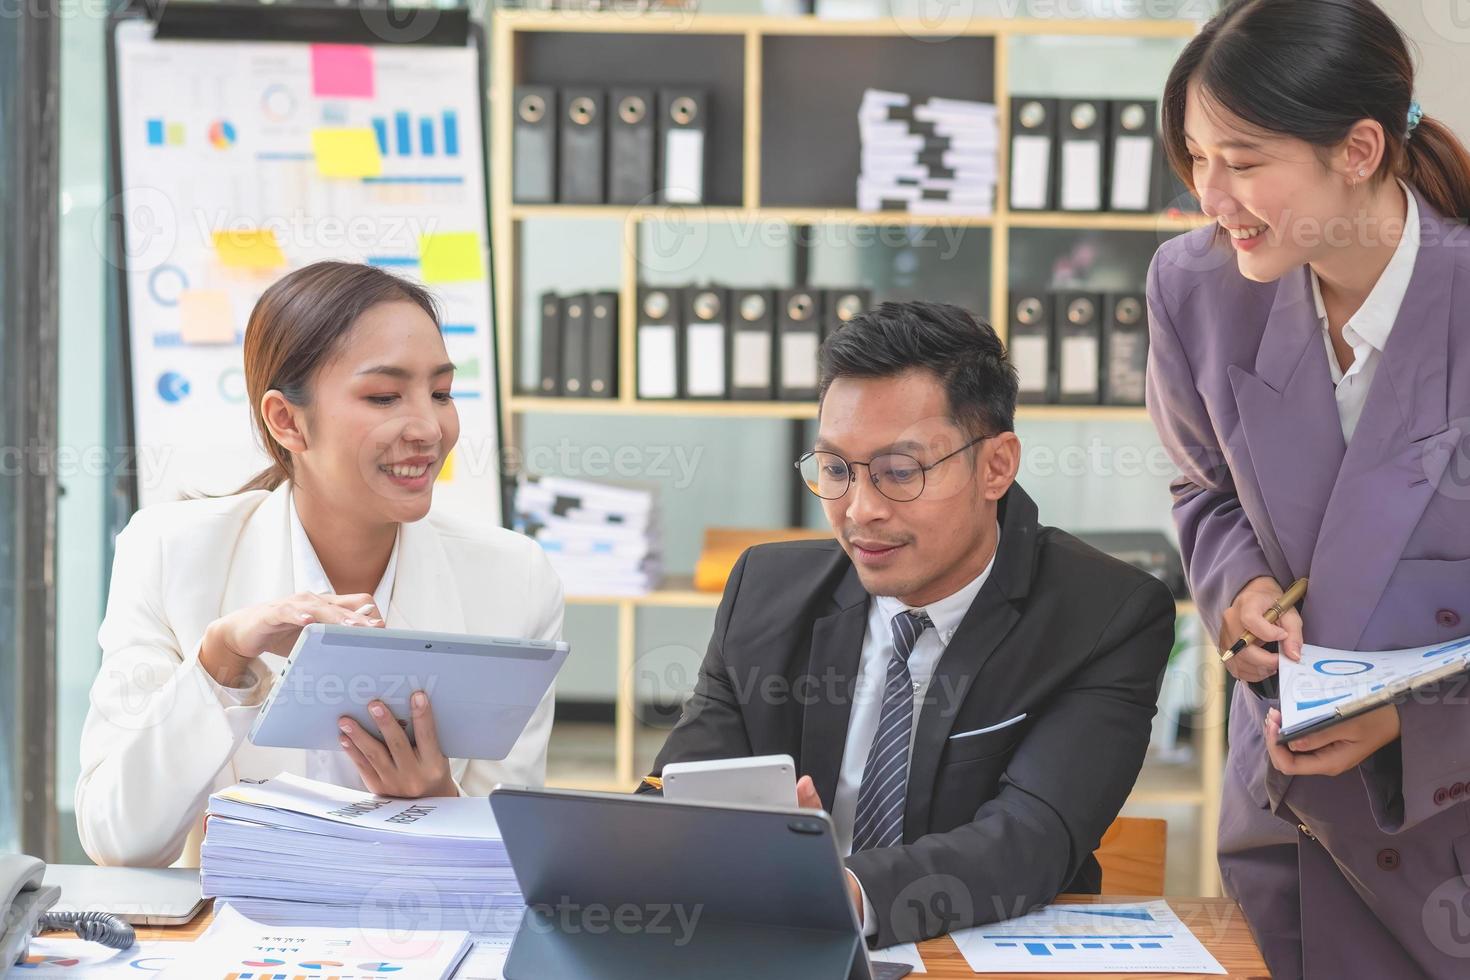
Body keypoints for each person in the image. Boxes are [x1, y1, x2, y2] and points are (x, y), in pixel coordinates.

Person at [646, 300, 1175, 948]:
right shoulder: (765, 593)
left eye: (900, 472)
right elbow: (679, 794)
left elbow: (1029, 841)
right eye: (837, 470)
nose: (859, 511)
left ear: (996, 465)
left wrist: (843, 890)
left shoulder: (1105, 615)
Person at [1146, 1, 1470, 976]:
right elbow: (1203, 489)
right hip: (1285, 824)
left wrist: (1415, 724)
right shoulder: (1193, 287)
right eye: (1196, 159)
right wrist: (1236, 589)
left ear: (1360, 148)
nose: (1212, 196)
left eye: (1243, 163)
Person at [76, 261, 562, 868]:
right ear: (287, 420)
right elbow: (118, 841)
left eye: (440, 393)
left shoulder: (514, 579)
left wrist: (436, 801)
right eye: (385, 396)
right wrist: (219, 663)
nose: (428, 427)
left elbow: (516, 861)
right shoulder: (172, 554)